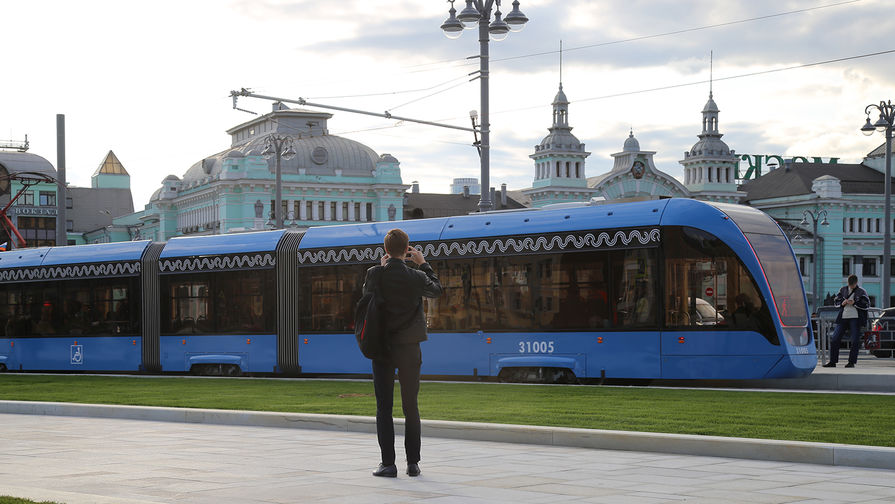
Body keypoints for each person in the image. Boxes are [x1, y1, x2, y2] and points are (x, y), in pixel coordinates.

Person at [365, 228, 442, 478]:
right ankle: (413, 464)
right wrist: (423, 264)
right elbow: (437, 290)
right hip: (409, 347)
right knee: (411, 406)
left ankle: (388, 464)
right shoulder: (416, 276)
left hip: (382, 348)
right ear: (407, 249)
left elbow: (367, 298)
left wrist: (381, 267)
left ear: (386, 250)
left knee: (383, 406)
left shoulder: (374, 274)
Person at [823, 274, 870, 368]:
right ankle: (832, 361)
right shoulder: (843, 289)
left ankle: (851, 362)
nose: (851, 286)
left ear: (856, 283)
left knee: (855, 340)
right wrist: (842, 303)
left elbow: (866, 305)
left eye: (852, 285)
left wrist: (855, 303)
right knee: (835, 339)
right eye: (849, 284)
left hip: (856, 318)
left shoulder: (861, 291)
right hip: (843, 317)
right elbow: (836, 301)